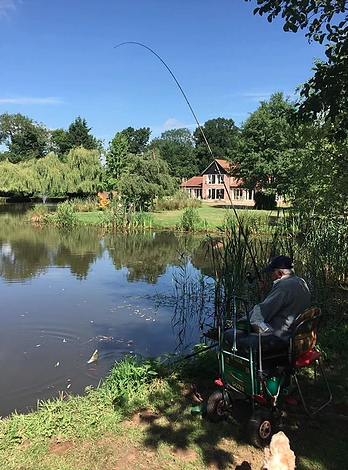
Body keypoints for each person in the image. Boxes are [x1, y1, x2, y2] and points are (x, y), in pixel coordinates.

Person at [248, 255, 311, 341]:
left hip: (281, 337)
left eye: (271, 273)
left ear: (279, 273)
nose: (270, 275)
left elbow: (261, 312)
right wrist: (269, 290)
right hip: (299, 333)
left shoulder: (282, 288)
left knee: (248, 327)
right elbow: (286, 301)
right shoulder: (301, 281)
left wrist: (247, 319)